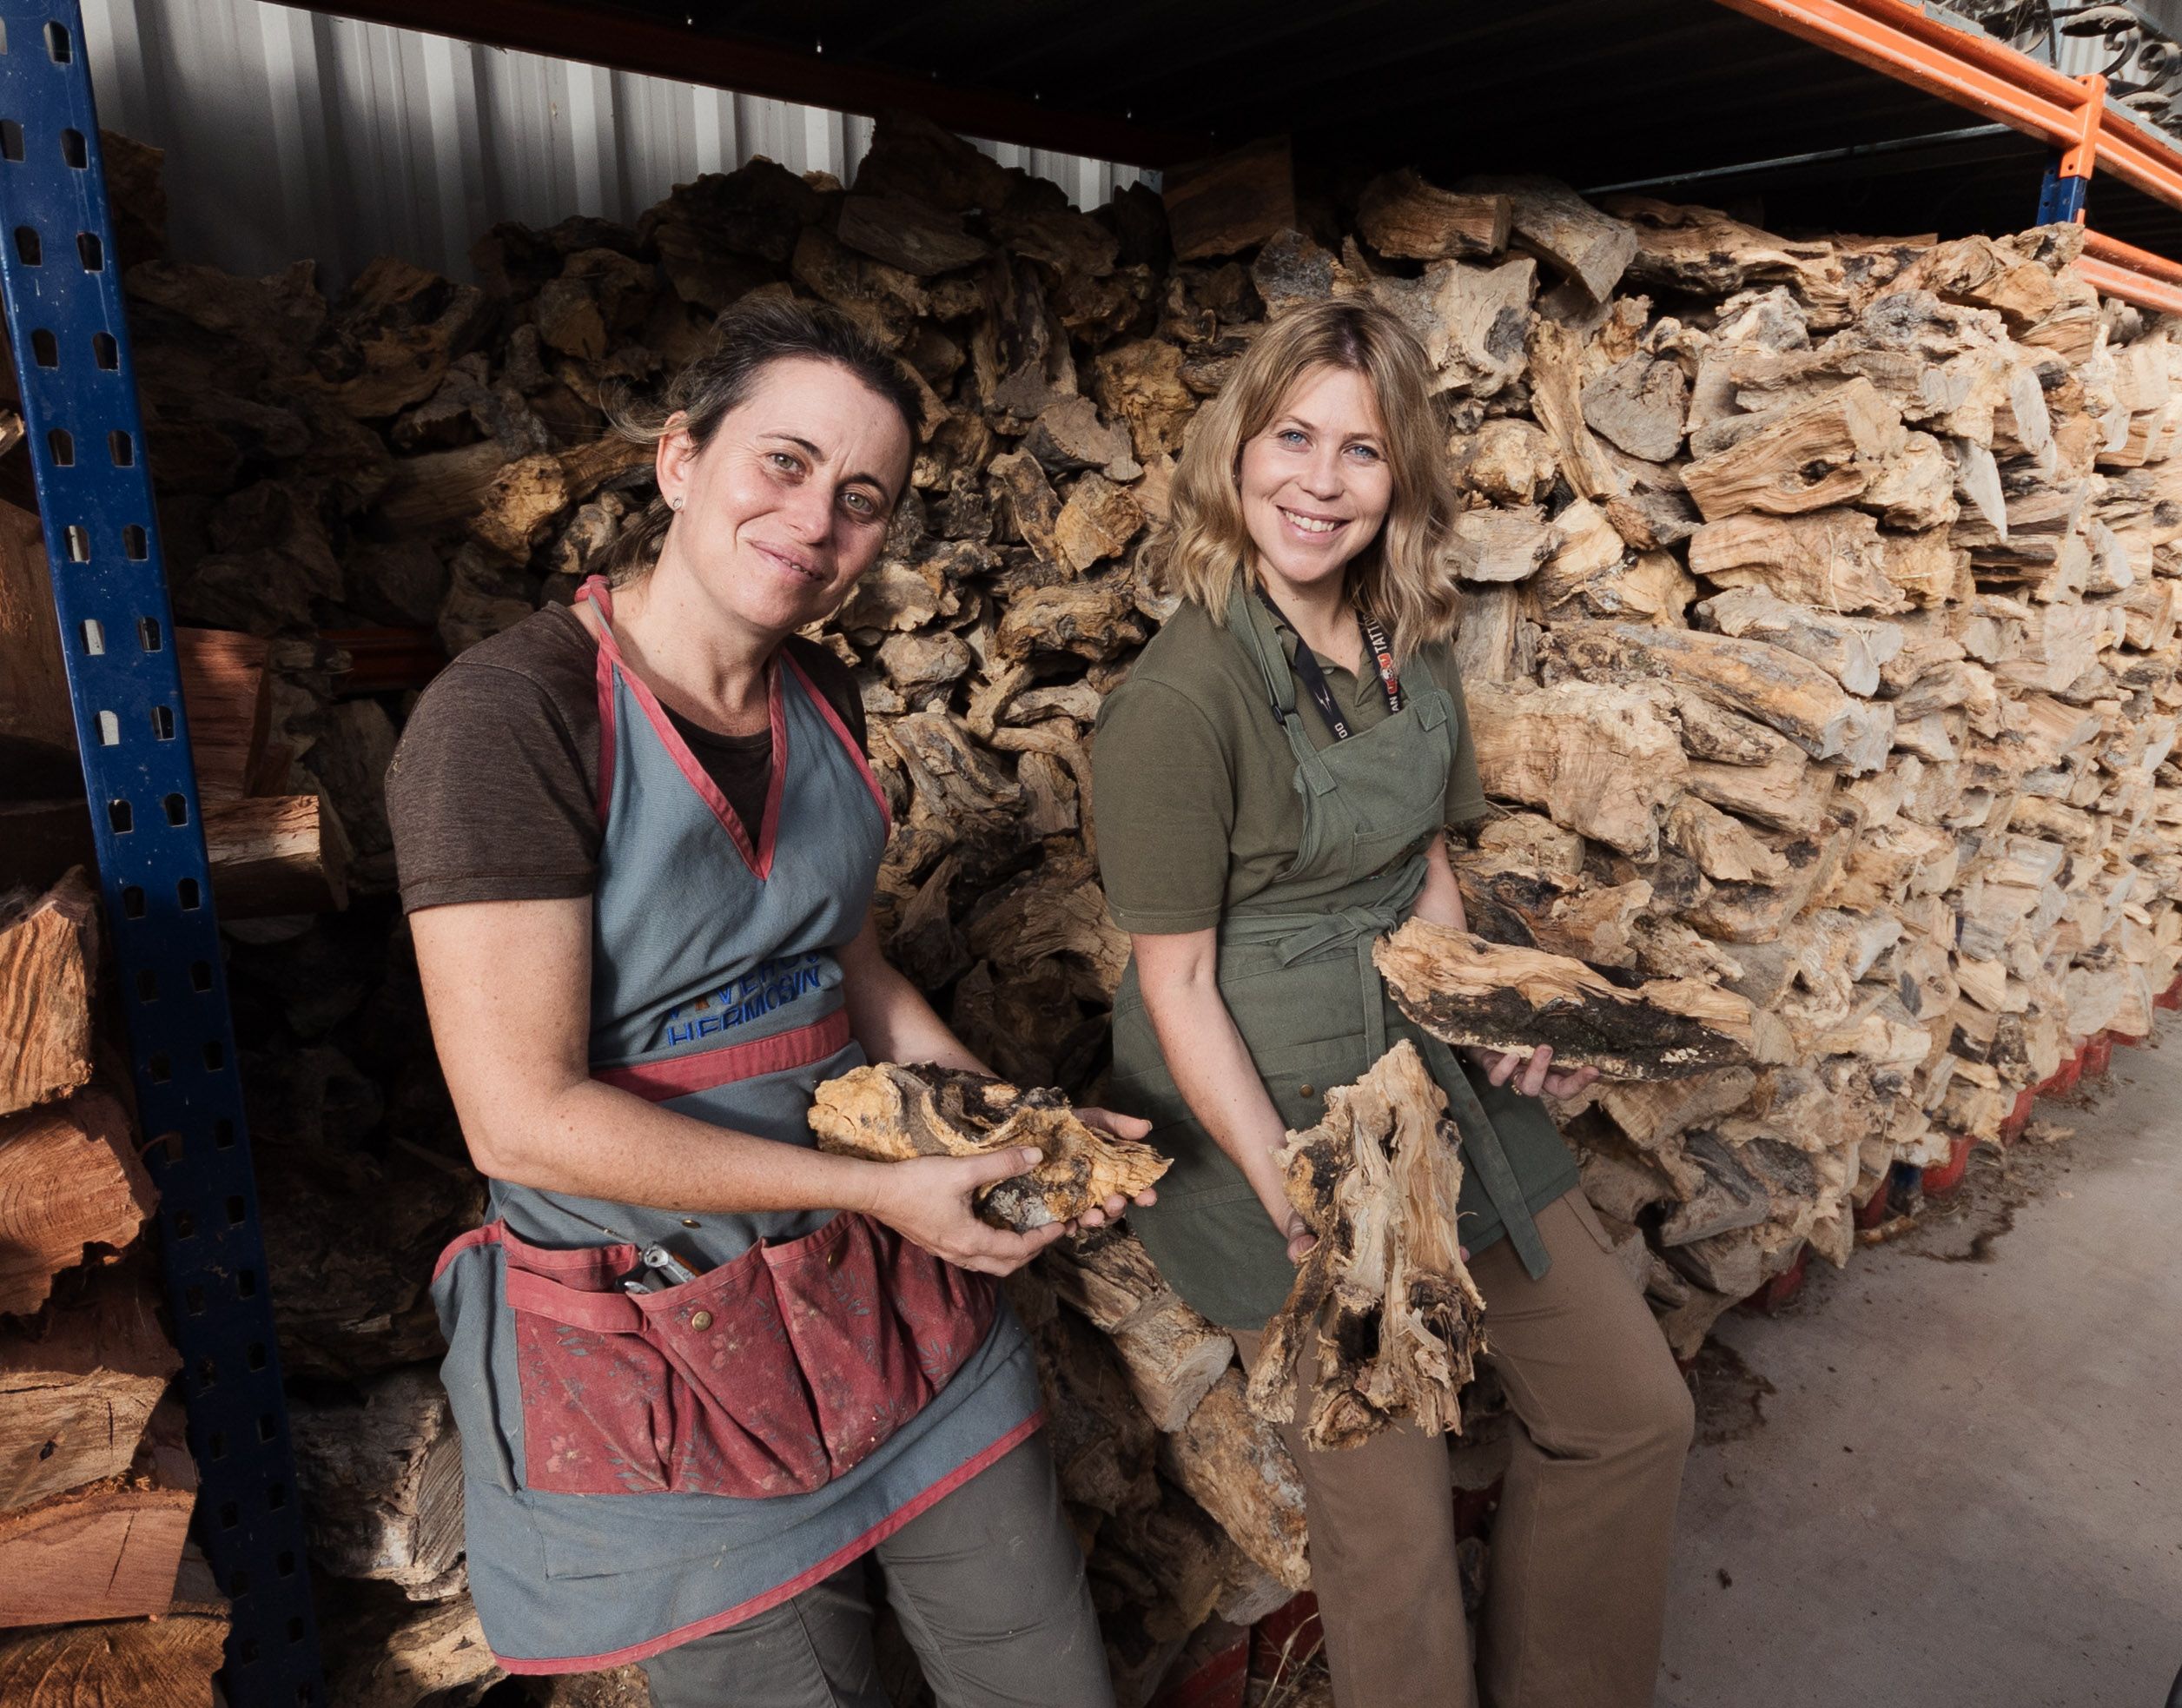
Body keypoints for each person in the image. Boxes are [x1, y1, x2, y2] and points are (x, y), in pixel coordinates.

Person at [387, 296, 1142, 1705]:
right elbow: (522, 1119)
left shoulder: (824, 692)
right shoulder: (509, 719)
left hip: (887, 1293)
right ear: (680, 459)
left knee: (1042, 1672)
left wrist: (1018, 1130)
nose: (817, 520)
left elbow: (845, 968)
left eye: (863, 497)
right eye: (783, 462)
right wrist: (878, 1193)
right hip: (668, 1340)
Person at [1090, 297, 1697, 1708]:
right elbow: (1174, 981)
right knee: (1393, 1534)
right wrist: (1288, 1187)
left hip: (1431, 1080)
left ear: (1399, 478)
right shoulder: (1176, 699)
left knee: (1627, 1413)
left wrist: (1500, 1021)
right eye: (1290, 437)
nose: (1317, 480)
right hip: (1280, 1122)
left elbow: (1427, 869)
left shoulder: (1402, 640)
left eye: (1358, 451)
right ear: (1236, 450)